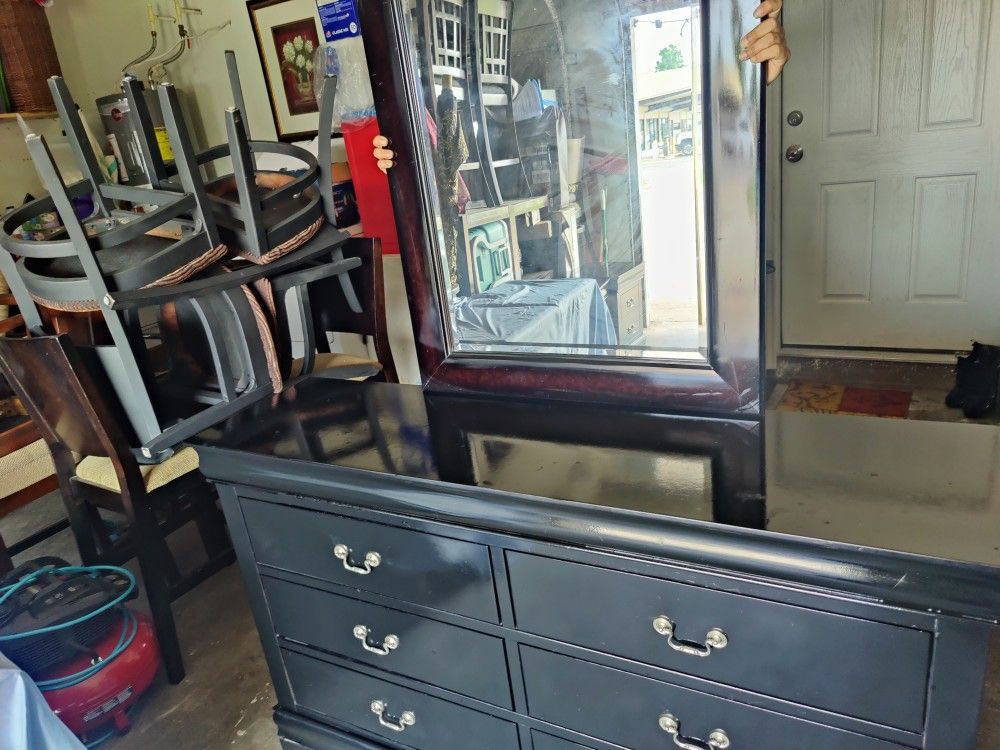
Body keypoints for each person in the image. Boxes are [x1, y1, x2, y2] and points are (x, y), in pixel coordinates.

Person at [372, 0, 790, 169]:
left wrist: (759, 73)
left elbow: (737, 128)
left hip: (605, 167)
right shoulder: (502, 29)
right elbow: (456, 121)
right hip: (533, 168)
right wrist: (409, 145)